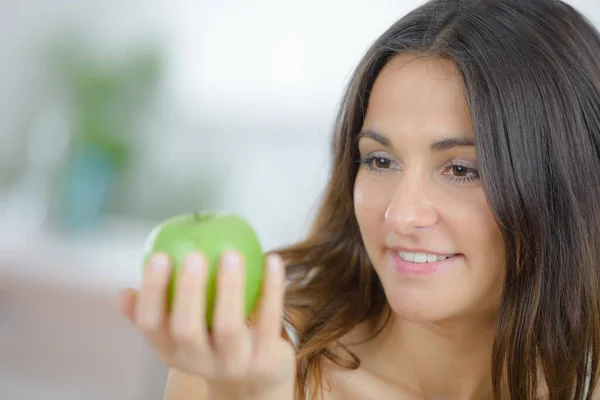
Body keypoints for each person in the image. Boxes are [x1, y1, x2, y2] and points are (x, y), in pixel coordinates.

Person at [118, 0, 600, 398]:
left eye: (461, 169)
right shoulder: (248, 369)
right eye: (380, 161)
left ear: (565, 186)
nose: (401, 214)